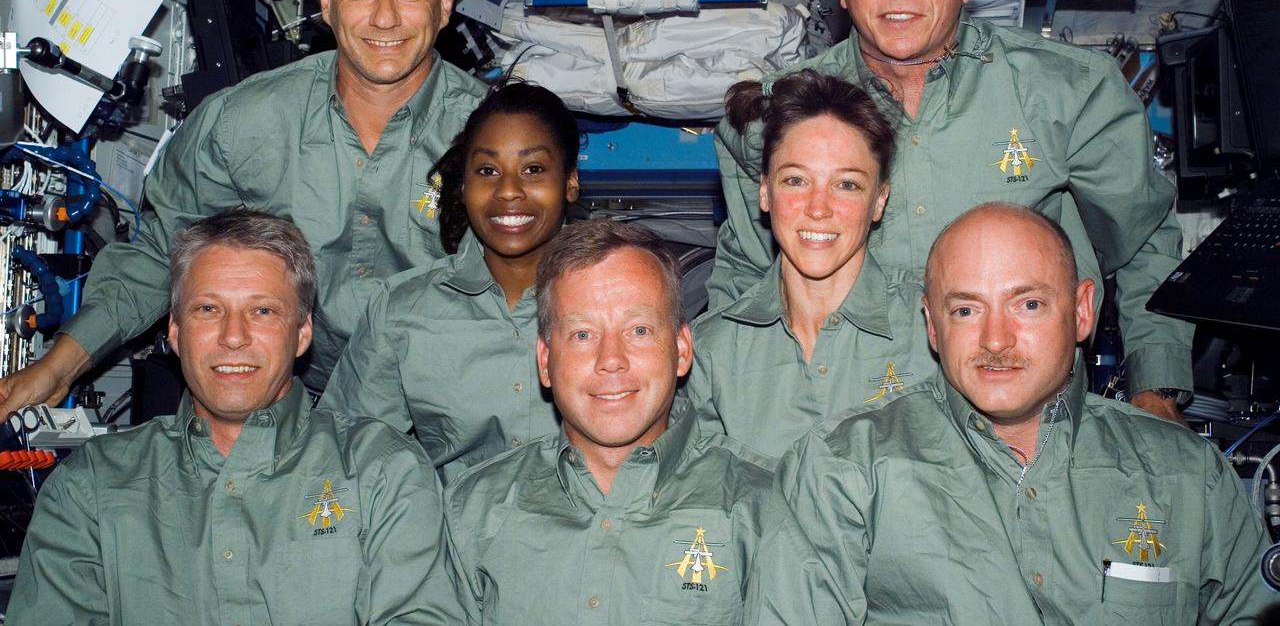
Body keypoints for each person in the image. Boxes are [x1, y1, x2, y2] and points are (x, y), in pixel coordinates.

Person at [709, 0, 1193, 422]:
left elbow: (1143, 238)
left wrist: (1154, 390)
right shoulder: (777, 116)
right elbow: (743, 280)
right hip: (841, 428)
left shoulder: (1067, 91)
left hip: (1024, 429)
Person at [0, 0, 486, 413]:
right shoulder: (241, 124)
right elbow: (164, 253)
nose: (385, 19)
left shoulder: (494, 141)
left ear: (444, 3)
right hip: (282, 404)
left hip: (440, 410)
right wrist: (57, 367)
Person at [745, 203, 1274, 625]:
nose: (996, 340)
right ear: (932, 326)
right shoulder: (843, 472)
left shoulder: (1188, 477)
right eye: (966, 310)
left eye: (1028, 305)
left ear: (1082, 311)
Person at [8, 210, 467, 625]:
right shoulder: (91, 487)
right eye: (208, 309)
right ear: (174, 329)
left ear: (302, 332)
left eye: (262, 311)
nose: (233, 336)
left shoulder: (382, 472)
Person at [444, 219, 775, 624]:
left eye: (638, 330)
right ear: (546, 361)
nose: (611, 359)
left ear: (682, 349)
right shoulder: (473, 510)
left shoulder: (762, 507)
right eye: (583, 335)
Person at [321, 82, 580, 482]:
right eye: (487, 171)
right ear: (463, 186)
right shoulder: (402, 312)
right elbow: (343, 458)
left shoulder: (619, 300)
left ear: (570, 183)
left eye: (533, 169)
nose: (508, 190)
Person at [687, 69, 934, 458]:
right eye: (796, 181)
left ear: (880, 200)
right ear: (765, 192)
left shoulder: (933, 330)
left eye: (846, 184)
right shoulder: (711, 351)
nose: (818, 209)